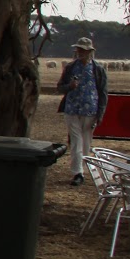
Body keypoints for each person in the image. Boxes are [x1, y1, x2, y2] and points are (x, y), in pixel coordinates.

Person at [55, 36, 108, 185]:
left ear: (90, 51)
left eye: (83, 50)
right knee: (76, 141)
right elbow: (60, 87)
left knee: (86, 143)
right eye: (78, 50)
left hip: (90, 111)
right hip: (72, 109)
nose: (80, 52)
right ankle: (77, 173)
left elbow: (103, 92)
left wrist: (100, 113)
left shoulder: (98, 69)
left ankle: (84, 168)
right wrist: (70, 86)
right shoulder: (70, 68)